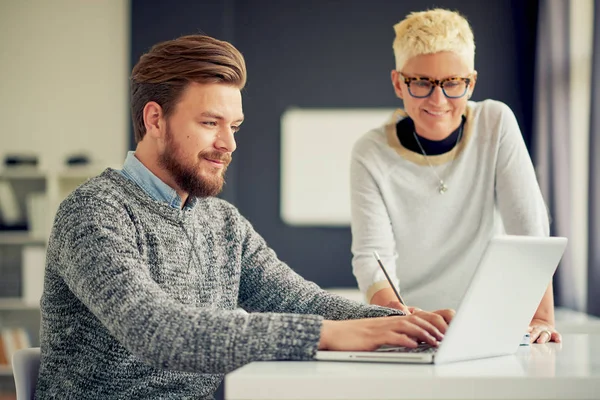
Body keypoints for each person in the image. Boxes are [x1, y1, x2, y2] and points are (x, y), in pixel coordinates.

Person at [35, 34, 452, 399]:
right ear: (154, 119)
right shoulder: (93, 211)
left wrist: (406, 323)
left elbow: (300, 301)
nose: (228, 143)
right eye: (210, 122)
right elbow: (156, 330)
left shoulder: (223, 224)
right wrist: (328, 335)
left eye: (234, 125)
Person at [350, 9, 559, 345]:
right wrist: (401, 319)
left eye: (452, 83)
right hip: (415, 322)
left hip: (497, 322)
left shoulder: (495, 122)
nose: (438, 100)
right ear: (398, 82)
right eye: (421, 82)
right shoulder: (370, 153)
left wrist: (541, 317)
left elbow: (529, 227)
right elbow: (371, 258)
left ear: (471, 82)